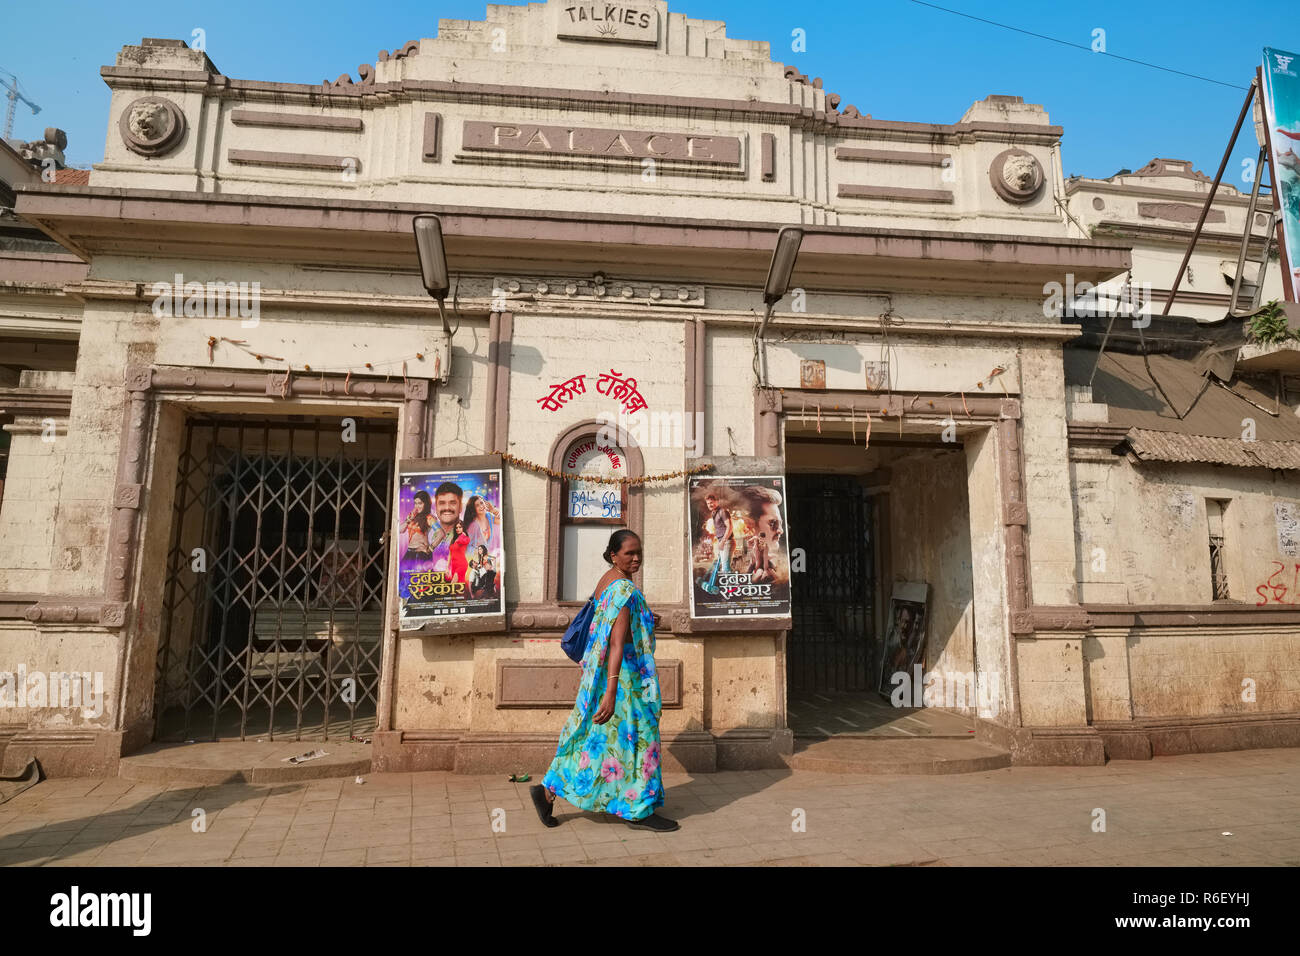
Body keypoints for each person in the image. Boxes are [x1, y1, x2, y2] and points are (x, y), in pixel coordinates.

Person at [531, 530, 679, 832]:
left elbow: (612, 626)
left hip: (599, 680)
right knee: (641, 738)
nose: (636, 558)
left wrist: (648, 619)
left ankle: (548, 789)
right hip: (625, 683)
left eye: (639, 552)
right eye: (629, 553)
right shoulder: (624, 590)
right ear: (614, 555)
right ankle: (638, 810)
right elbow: (616, 642)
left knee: (595, 741)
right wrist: (612, 691)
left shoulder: (608, 580)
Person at [699, 489, 733, 595]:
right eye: (708, 503)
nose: (710, 505)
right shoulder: (714, 513)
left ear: (716, 501)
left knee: (725, 568)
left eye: (711, 502)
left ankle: (730, 592)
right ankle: (728, 591)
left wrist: (723, 541)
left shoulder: (722, 512)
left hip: (727, 541)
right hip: (722, 542)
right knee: (722, 566)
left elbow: (730, 527)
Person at [402, 491, 433, 563]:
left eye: (420, 503)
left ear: (426, 504)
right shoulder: (412, 516)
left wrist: (430, 549)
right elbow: (400, 530)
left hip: (421, 554)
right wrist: (409, 519)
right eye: (415, 503)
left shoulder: (429, 518)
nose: (417, 506)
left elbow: (441, 533)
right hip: (410, 551)